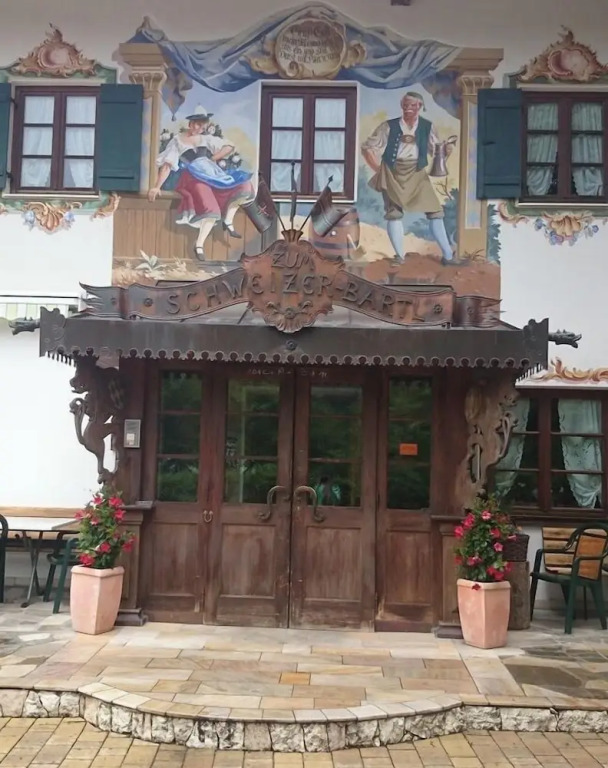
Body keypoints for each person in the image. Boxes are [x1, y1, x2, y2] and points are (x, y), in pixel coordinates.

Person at [361, 91, 460, 265]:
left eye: (413, 105)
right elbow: (367, 148)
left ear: (420, 107)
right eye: (405, 105)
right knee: (394, 213)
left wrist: (446, 150)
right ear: (401, 106)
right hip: (392, 172)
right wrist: (379, 170)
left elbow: (435, 152)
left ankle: (448, 257)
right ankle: (400, 256)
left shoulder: (427, 127)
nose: (408, 108)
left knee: (435, 211)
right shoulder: (388, 126)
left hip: (417, 172)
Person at [148, 106, 253, 261]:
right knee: (210, 207)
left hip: (211, 173)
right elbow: (167, 165)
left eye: (203, 125)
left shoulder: (205, 139)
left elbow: (229, 146)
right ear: (190, 123)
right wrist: (157, 187)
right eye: (198, 124)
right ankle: (199, 245)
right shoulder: (177, 141)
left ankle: (228, 221)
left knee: (244, 186)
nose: (200, 128)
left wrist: (212, 158)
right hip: (192, 177)